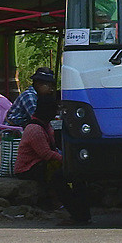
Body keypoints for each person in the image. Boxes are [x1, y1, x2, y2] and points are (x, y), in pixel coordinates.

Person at [14, 93, 90, 225]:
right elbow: (47, 154)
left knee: (75, 175)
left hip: (41, 163)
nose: (56, 113)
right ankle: (73, 211)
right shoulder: (34, 130)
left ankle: (80, 213)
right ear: (46, 111)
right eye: (54, 110)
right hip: (28, 168)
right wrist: (67, 161)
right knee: (60, 176)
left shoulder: (46, 126)